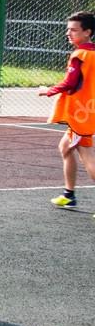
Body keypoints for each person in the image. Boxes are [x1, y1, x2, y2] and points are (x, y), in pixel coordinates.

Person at [42, 11, 95, 211]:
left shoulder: (79, 55)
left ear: (87, 32)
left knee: (87, 156)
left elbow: (69, 82)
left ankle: (69, 194)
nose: (68, 33)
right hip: (87, 112)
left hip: (80, 115)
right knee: (65, 148)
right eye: (68, 29)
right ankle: (69, 194)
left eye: (73, 30)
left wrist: (48, 90)